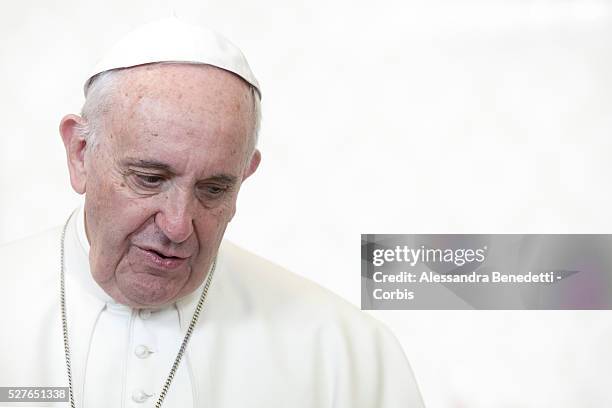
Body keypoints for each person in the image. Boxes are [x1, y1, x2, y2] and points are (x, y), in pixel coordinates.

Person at [0, 18, 424, 408]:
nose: (178, 225)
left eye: (214, 189)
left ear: (245, 176)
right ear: (80, 154)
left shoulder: (344, 351)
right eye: (149, 178)